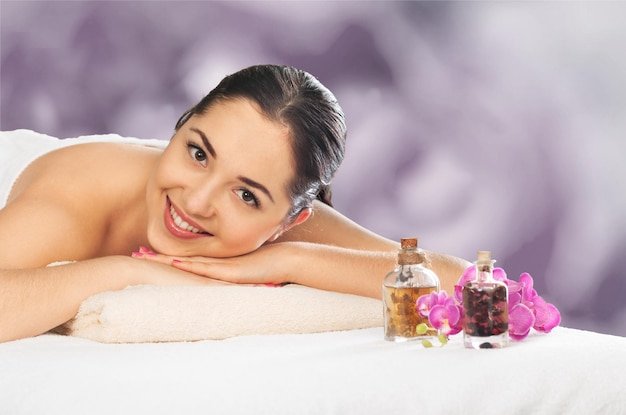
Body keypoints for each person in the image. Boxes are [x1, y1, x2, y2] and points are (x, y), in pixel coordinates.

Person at [0, 64, 470, 343]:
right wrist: (125, 273)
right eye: (198, 153)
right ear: (178, 127)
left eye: (245, 195)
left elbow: (469, 286)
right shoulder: (80, 195)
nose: (197, 201)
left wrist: (291, 260)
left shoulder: (287, 228)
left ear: (289, 221)